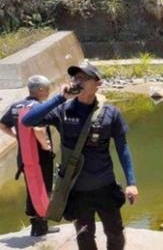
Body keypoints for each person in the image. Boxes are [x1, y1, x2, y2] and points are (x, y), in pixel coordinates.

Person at [22, 61, 138, 250]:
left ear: (98, 83)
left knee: (115, 232)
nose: (78, 81)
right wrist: (59, 98)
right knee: (84, 235)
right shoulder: (63, 110)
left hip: (106, 188)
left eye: (84, 77)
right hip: (76, 190)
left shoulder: (111, 113)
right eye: (76, 77)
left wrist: (131, 182)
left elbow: (122, 147)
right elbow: (28, 120)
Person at [0, 75, 59, 237]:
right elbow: (38, 129)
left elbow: (2, 124)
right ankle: (42, 225)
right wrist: (45, 145)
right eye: (47, 90)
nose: (48, 93)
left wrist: (16, 137)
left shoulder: (16, 106)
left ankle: (36, 225)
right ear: (40, 90)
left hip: (25, 156)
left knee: (31, 187)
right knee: (44, 189)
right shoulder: (36, 106)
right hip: (40, 157)